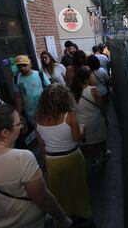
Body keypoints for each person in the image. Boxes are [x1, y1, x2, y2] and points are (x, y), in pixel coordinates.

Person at [0, 105, 72, 228]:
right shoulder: (22, 158)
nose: (22, 126)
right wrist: (63, 219)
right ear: (4, 133)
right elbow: (42, 198)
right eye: (18, 123)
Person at [36, 84, 92, 219]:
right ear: (65, 99)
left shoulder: (39, 118)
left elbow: (41, 145)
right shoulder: (70, 116)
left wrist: (45, 161)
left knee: (59, 191)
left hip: (52, 161)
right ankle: (82, 213)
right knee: (78, 187)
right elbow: (77, 138)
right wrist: (82, 128)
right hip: (72, 157)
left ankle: (64, 216)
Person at [70, 67, 108, 167]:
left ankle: (93, 160)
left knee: (87, 143)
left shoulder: (72, 93)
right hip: (96, 120)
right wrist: (105, 116)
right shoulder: (93, 90)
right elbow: (100, 106)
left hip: (81, 122)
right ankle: (104, 154)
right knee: (101, 139)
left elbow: (72, 110)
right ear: (86, 79)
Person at [13, 55, 51, 127]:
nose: (22, 68)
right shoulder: (16, 79)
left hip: (45, 109)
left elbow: (49, 90)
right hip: (30, 113)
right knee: (37, 129)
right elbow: (18, 97)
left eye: (24, 65)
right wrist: (19, 112)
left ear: (30, 64)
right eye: (19, 66)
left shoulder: (40, 74)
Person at [86, 55, 110, 124]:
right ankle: (106, 119)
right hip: (103, 92)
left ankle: (100, 120)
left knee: (97, 108)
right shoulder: (102, 71)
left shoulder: (88, 73)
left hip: (94, 93)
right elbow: (107, 81)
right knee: (105, 107)